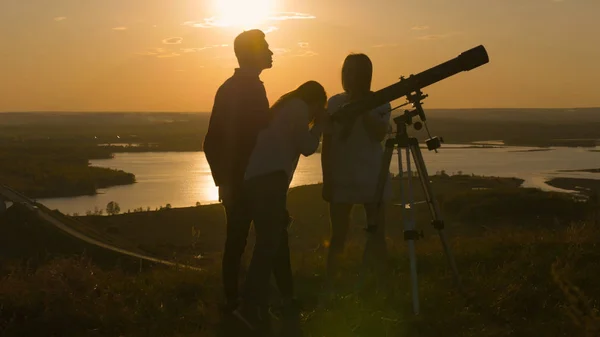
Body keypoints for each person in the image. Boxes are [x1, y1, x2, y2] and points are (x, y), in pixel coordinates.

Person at [233, 81, 327, 332]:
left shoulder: (285, 108)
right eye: (319, 107)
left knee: (276, 241)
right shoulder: (297, 109)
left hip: (259, 181)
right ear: (315, 102)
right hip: (270, 181)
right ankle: (250, 307)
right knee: (268, 245)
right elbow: (307, 147)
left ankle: (286, 299)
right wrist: (320, 127)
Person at [203, 29, 274, 316]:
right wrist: (226, 184)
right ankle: (236, 303)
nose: (271, 52)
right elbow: (212, 142)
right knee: (239, 242)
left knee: (262, 239)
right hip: (243, 183)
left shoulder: (251, 87)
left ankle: (251, 300)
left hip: (255, 181)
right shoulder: (234, 90)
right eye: (265, 47)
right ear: (249, 54)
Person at [321, 53, 393, 294]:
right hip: (342, 174)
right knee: (338, 234)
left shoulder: (381, 102)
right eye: (346, 70)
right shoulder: (333, 103)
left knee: (376, 233)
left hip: (372, 174)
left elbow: (378, 134)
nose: (348, 75)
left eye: (354, 71)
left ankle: (378, 284)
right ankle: (332, 284)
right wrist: (327, 179)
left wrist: (361, 109)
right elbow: (328, 143)